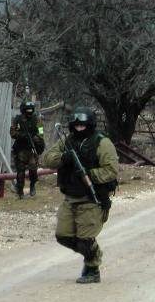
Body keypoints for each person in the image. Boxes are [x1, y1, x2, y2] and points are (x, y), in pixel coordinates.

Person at [43, 107, 118, 284]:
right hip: (70, 197)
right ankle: (93, 253)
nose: (79, 128)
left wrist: (89, 174)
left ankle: (92, 267)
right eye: (76, 125)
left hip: (92, 199)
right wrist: (64, 158)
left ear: (90, 125)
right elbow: (48, 158)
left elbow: (111, 170)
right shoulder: (67, 141)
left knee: (85, 240)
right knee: (63, 236)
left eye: (83, 125)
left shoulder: (102, 142)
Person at [10, 101, 45, 199]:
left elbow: (41, 132)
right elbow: (12, 132)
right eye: (27, 111)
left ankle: (32, 185)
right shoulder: (18, 119)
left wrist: (36, 138)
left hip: (32, 149)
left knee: (33, 168)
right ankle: (20, 192)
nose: (29, 112)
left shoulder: (37, 119)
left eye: (31, 110)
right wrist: (22, 135)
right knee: (20, 172)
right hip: (20, 149)